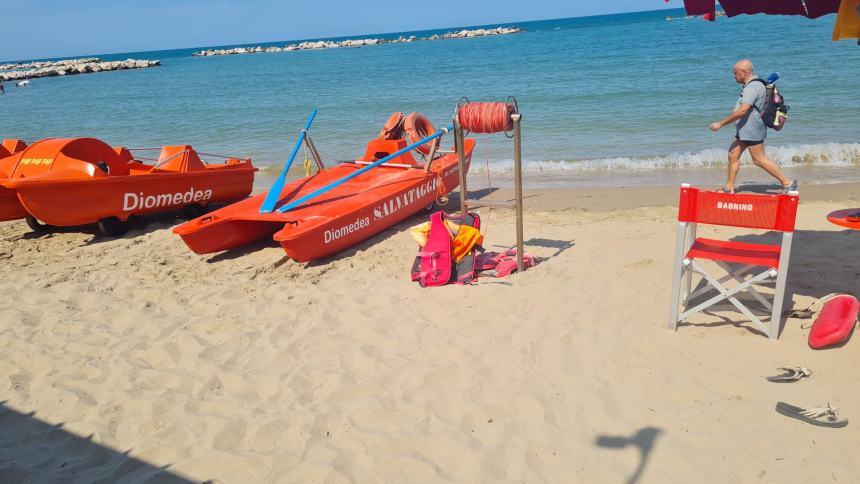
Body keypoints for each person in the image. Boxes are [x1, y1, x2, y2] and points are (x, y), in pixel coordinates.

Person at [709, 59, 796, 194]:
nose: (733, 76)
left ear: (744, 72)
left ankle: (787, 182)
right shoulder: (756, 83)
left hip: (752, 129)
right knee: (733, 154)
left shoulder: (752, 88)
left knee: (759, 159)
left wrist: (720, 123)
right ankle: (729, 187)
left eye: (735, 73)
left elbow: (743, 110)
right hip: (745, 129)